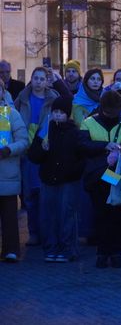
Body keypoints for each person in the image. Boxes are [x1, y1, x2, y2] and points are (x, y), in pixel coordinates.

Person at [78, 91, 121, 269]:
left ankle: (117, 252)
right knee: (101, 214)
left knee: (120, 214)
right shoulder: (88, 122)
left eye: (115, 112)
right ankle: (103, 252)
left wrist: (119, 148)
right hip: (98, 177)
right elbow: (82, 145)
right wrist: (104, 147)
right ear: (101, 109)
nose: (111, 115)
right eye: (108, 112)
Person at [15, 67, 72, 246]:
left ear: (47, 81)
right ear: (31, 79)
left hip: (46, 150)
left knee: (45, 194)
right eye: (36, 78)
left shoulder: (53, 98)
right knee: (30, 194)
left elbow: (69, 103)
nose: (39, 81)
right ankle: (33, 232)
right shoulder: (22, 98)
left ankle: (48, 232)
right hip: (26, 150)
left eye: (42, 78)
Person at [28, 97, 83, 263]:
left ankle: (68, 248)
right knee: (49, 214)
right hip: (48, 178)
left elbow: (81, 157)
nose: (58, 116)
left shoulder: (74, 132)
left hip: (68, 179)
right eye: (55, 112)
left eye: (61, 113)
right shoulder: (45, 130)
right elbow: (33, 155)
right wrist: (43, 150)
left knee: (67, 214)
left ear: (68, 115)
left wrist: (73, 172)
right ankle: (51, 247)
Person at [0, 79, 29, 262]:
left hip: (7, 174)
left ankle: (11, 249)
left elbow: (24, 141)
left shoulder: (11, 114)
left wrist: (9, 149)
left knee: (10, 216)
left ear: (3, 92)